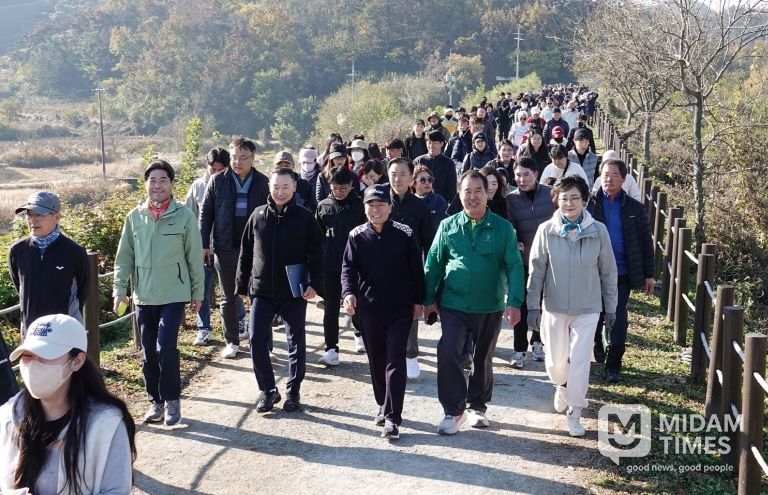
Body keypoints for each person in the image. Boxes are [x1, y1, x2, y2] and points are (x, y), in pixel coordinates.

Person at [424, 170, 524, 435]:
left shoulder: (503, 228)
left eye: (477, 191)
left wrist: (514, 302)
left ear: (487, 194)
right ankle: (452, 410)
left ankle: (477, 406)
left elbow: (514, 266)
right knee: (449, 353)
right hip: (453, 304)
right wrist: (427, 299)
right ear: (459, 194)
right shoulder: (448, 226)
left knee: (483, 358)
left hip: (489, 305)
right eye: (467, 191)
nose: (472, 197)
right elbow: (433, 264)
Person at [0, 314, 136, 495]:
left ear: (77, 361)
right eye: (27, 355)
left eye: (45, 355)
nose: (33, 364)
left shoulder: (106, 423)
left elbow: (116, 490)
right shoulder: (9, 414)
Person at [113, 159, 204, 426]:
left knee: (166, 348)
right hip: (144, 295)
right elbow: (124, 258)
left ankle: (173, 401)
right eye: (152, 180)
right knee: (148, 352)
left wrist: (197, 293)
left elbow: (193, 258)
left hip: (174, 294)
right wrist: (120, 290)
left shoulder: (184, 216)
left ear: (172, 184)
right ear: (145, 184)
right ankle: (155, 402)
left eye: (163, 180)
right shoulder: (135, 217)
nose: (157, 185)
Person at [526, 176, 617, 437]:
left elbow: (608, 272)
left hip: (588, 307)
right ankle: (562, 386)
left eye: (575, 197)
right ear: (557, 199)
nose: (570, 203)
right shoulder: (547, 230)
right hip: (554, 306)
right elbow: (537, 271)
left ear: (584, 200)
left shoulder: (598, 230)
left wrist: (610, 308)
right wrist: (533, 305)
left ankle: (575, 410)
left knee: (579, 360)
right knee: (556, 363)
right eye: (564, 198)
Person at [235, 168, 324, 413]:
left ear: (294, 186)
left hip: (293, 292)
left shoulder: (306, 218)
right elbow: (246, 252)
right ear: (269, 188)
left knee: (296, 341)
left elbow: (317, 253)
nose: (280, 192)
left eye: (285, 187)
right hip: (261, 291)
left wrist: (314, 284)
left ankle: (293, 391)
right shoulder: (258, 215)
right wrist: (242, 286)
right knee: (256, 339)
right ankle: (268, 390)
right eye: (276, 187)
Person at [341, 184, 425, 440]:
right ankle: (382, 403)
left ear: (390, 207)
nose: (375, 210)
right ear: (364, 208)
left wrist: (419, 301)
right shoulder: (356, 235)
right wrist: (348, 293)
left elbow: (417, 271)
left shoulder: (404, 233)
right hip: (369, 309)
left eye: (380, 204)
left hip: (400, 309)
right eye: (370, 205)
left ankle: (392, 418)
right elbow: (347, 269)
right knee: (376, 361)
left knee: (394, 361)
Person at [200, 138, 269, 359]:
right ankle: (232, 340)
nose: (237, 162)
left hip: (255, 248)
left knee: (259, 295)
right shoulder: (217, 180)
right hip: (224, 245)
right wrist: (204, 245)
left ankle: (263, 343)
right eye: (234, 157)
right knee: (229, 296)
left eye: (243, 158)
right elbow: (206, 214)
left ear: (253, 158)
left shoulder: (262, 182)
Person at [588, 159, 655, 383]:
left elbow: (646, 241)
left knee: (618, 318)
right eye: (605, 174)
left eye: (614, 174)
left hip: (622, 273)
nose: (608, 178)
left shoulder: (635, 208)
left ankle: (614, 366)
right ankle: (597, 341)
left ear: (624, 178)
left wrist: (649, 274)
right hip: (593, 271)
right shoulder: (590, 204)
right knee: (594, 314)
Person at [9, 192, 90, 336]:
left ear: (56, 217)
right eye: (29, 214)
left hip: (64, 333)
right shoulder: (17, 251)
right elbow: (20, 287)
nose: (33, 220)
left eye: (39, 215)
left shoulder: (74, 252)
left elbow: (82, 292)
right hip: (30, 333)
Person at [387, 157, 435, 379]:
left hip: (410, 269)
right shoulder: (378, 200)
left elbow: (429, 242)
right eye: (393, 174)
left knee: (410, 313)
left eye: (402, 174)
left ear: (411, 179)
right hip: (380, 268)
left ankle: (411, 355)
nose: (397, 179)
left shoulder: (419, 206)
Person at [505, 157, 556, 369]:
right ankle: (519, 350)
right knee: (522, 304)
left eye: (526, 174)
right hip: (523, 262)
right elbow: (509, 226)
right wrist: (515, 240)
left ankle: (538, 342)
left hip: (550, 260)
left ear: (536, 173)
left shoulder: (551, 194)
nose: (522, 179)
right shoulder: (511, 200)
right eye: (518, 175)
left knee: (544, 303)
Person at [315, 166, 367, 366]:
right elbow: (316, 237)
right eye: (335, 187)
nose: (339, 191)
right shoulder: (324, 206)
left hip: (355, 266)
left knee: (356, 305)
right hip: (330, 265)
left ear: (351, 185)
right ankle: (331, 349)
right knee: (330, 309)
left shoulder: (360, 205)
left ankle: (359, 332)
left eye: (343, 187)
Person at [184, 147, 229, 346]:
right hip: (202, 248)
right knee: (200, 290)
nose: (216, 172)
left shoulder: (232, 185)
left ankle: (239, 322)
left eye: (221, 169)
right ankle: (204, 329)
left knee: (232, 290)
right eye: (213, 168)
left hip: (226, 248)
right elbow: (188, 216)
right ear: (207, 165)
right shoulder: (197, 186)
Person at [413, 130, 458, 203]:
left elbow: (452, 188)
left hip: (441, 203)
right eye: (429, 142)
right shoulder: (418, 161)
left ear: (442, 144)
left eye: (435, 143)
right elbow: (413, 183)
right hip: (419, 202)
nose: (431, 146)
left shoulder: (448, 163)